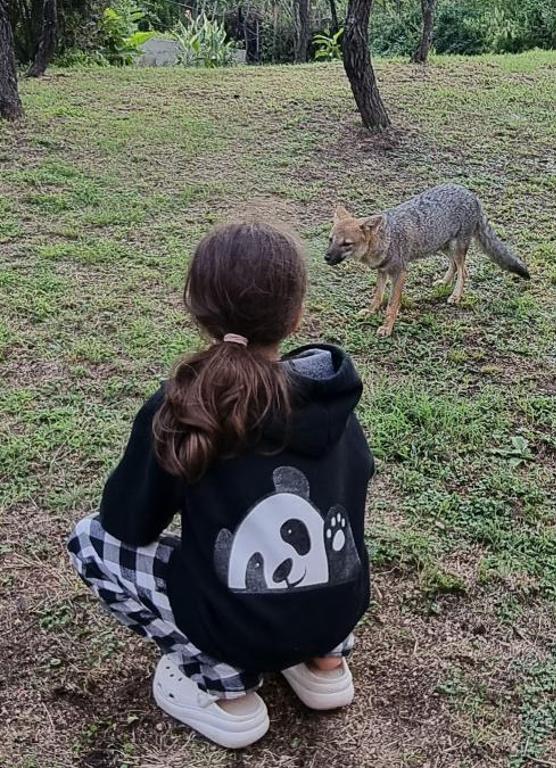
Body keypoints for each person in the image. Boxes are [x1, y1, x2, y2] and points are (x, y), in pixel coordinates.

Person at [67, 220, 374, 749]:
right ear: (296, 316)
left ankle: (227, 688)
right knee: (332, 538)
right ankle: (324, 663)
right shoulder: (333, 398)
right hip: (335, 608)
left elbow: (125, 524)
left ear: (198, 313)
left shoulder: (180, 405)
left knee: (88, 540)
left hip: (235, 625)